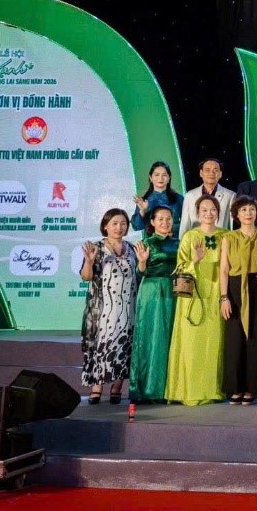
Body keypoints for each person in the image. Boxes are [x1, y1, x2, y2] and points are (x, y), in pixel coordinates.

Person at [165, 197, 227, 405]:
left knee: (214, 343)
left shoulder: (225, 235)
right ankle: (190, 390)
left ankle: (213, 390)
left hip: (217, 294)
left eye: (213, 209)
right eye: (204, 210)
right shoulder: (190, 237)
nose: (209, 213)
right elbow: (179, 268)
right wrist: (195, 260)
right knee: (192, 344)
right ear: (197, 213)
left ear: (218, 212)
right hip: (193, 296)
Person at [80, 208, 143, 404]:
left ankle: (117, 388)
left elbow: (139, 275)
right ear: (105, 226)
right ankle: (97, 387)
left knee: (124, 346)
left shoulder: (132, 249)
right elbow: (86, 277)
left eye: (123, 224)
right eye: (114, 223)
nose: (119, 227)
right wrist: (89, 262)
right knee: (101, 347)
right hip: (103, 310)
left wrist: (142, 262)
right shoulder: (96, 248)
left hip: (128, 309)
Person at [219, 197, 257, 405]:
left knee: (256, 337)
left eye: (251, 209)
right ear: (236, 215)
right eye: (243, 210)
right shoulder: (229, 238)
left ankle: (252, 388)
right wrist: (224, 297)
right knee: (234, 338)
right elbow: (224, 269)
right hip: (235, 288)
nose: (248, 213)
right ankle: (235, 387)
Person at [130, 205, 178, 403]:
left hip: (175, 292)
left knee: (171, 338)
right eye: (161, 219)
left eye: (168, 219)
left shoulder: (179, 242)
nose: (165, 223)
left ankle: (171, 389)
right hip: (152, 292)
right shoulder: (146, 243)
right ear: (152, 222)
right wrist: (142, 262)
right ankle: (149, 388)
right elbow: (139, 273)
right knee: (152, 336)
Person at [181, 158, 235, 236]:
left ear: (220, 174)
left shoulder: (230, 195)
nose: (211, 173)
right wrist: (182, 241)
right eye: (207, 170)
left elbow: (232, 225)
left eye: (215, 170)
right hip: (195, 240)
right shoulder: (190, 195)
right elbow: (184, 224)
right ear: (201, 173)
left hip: (221, 240)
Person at [131, 161, 184, 236]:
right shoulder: (143, 201)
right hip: (151, 242)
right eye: (157, 175)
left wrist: (172, 230)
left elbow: (186, 223)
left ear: (169, 178)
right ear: (150, 178)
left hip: (174, 240)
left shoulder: (178, 198)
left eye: (164, 175)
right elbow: (136, 227)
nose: (160, 178)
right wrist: (142, 211)